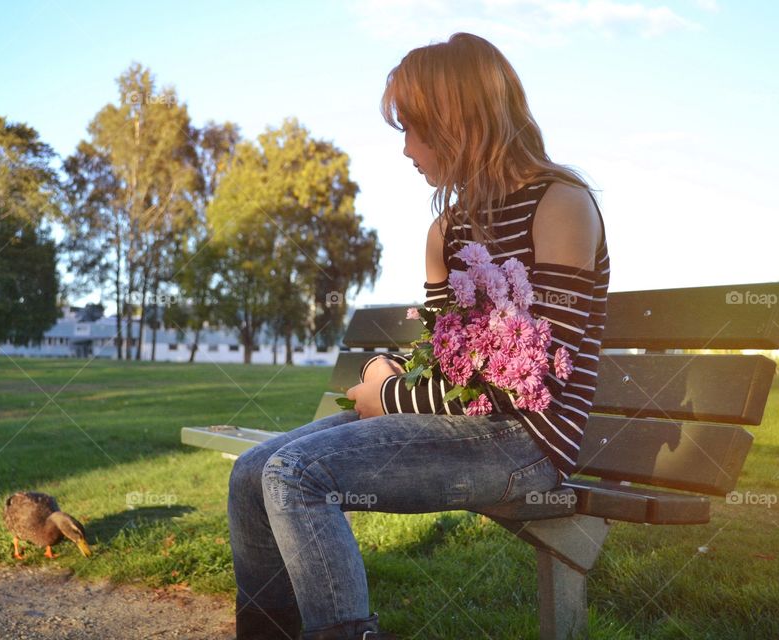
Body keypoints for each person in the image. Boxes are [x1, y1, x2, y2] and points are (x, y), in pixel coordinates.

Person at [228, 32, 610, 640]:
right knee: (252, 471)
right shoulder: (447, 231)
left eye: (414, 128)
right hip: (456, 424)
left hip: (526, 442)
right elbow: (445, 355)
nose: (406, 148)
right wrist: (387, 368)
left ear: (461, 123)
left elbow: (533, 381)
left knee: (296, 473)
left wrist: (392, 396)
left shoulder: (561, 206)